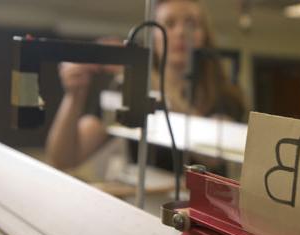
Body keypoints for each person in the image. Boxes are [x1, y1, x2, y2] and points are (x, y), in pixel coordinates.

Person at [46, 0, 246, 171]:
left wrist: (145, 76)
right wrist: (74, 96)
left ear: (204, 36)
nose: (181, 32)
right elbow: (65, 159)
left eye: (191, 23)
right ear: (153, 36)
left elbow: (212, 155)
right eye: (169, 23)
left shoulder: (226, 95)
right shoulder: (128, 90)